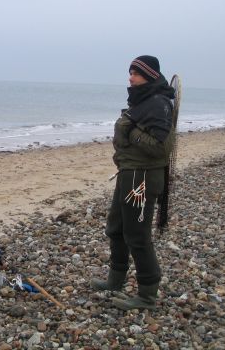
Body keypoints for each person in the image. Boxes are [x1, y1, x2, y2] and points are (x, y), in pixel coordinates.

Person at [91, 55, 175, 310]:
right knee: (116, 228)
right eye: (130, 72)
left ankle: (147, 295)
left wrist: (131, 131)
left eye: (136, 73)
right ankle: (114, 281)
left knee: (137, 236)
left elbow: (161, 147)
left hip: (143, 178)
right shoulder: (144, 101)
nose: (130, 77)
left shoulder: (158, 103)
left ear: (149, 76)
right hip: (129, 173)